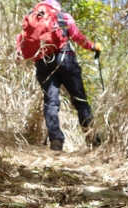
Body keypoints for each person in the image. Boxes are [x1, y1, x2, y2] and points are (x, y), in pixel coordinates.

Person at [16, 0, 102, 151]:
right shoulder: (62, 16)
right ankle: (93, 140)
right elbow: (76, 36)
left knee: (51, 102)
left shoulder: (32, 19)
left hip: (42, 64)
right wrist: (93, 47)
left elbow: (20, 43)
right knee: (80, 101)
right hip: (65, 59)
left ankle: (55, 141)